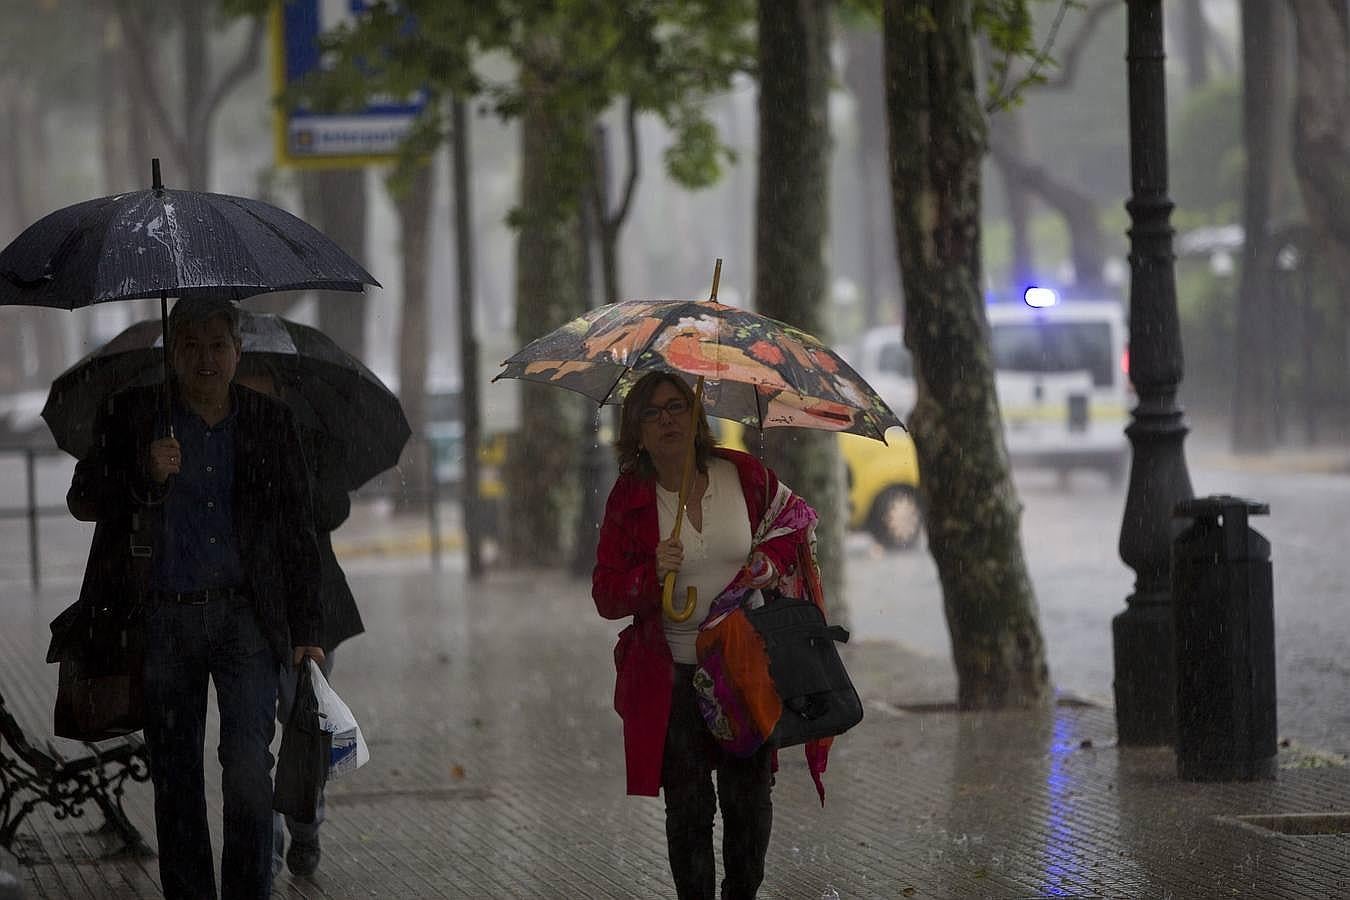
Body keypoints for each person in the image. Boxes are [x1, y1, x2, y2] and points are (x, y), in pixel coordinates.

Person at [66, 297, 325, 900]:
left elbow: (297, 529)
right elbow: (84, 498)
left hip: (245, 621)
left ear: (237, 352)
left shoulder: (269, 421)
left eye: (216, 345)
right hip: (163, 621)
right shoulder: (134, 415)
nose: (205, 359)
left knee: (247, 772)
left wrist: (308, 629)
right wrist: (143, 473)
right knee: (176, 776)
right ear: (172, 352)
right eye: (190, 345)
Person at [592, 371, 819, 900]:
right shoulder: (631, 497)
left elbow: (795, 522)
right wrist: (649, 572)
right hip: (673, 677)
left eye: (677, 406)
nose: (667, 419)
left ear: (698, 417)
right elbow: (606, 595)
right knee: (689, 809)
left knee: (749, 801)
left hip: (744, 669)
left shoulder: (742, 475)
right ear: (637, 431)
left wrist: (766, 565)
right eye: (652, 412)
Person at [234, 358, 365, 879]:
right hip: (246, 611)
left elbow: (331, 511)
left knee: (304, 725)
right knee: (251, 738)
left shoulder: (310, 442)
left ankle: (306, 829)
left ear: (280, 389)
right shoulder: (221, 446)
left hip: (311, 608)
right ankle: (264, 848)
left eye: (261, 388)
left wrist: (290, 473)